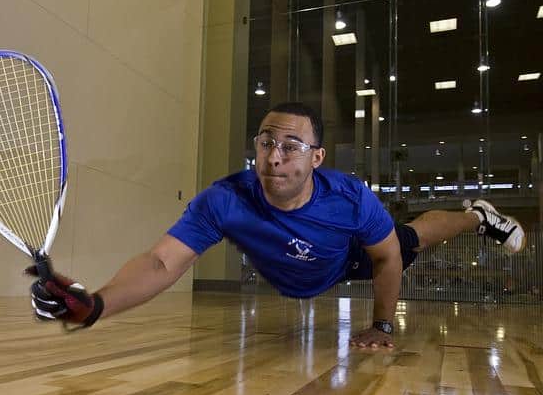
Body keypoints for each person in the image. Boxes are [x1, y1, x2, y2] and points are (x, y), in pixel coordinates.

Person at [28, 102, 526, 348]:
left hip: (350, 255)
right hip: (304, 271)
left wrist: (380, 324)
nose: (274, 156)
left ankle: (476, 215)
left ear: (317, 157)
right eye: (266, 142)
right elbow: (161, 261)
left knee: (410, 236)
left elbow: (387, 258)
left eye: (291, 146)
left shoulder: (349, 197)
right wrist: (95, 305)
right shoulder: (225, 199)